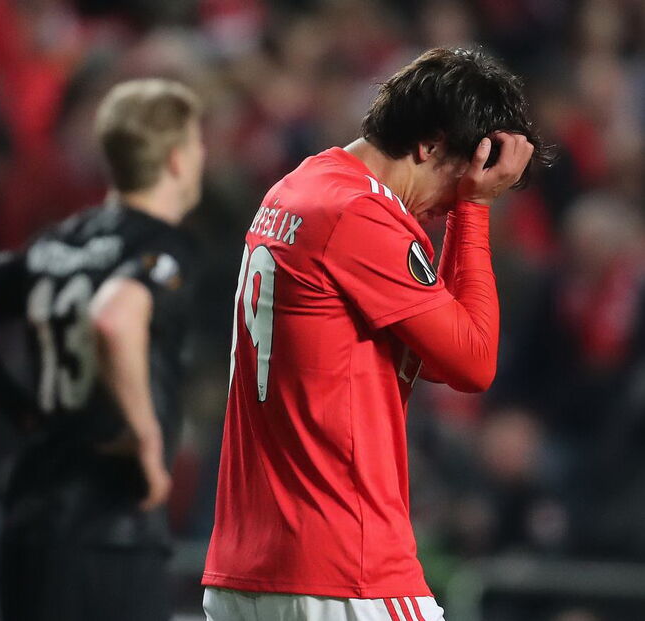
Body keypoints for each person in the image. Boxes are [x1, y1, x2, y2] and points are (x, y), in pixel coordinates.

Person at [202, 47, 550, 621]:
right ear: (430, 145)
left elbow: (434, 356)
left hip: (250, 568)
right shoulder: (359, 214)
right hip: (342, 566)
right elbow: (473, 363)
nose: (443, 207)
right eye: (456, 181)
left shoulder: (299, 188)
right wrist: (475, 209)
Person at [0, 78, 204, 621]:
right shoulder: (163, 246)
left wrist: (19, 408)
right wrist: (146, 439)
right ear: (176, 159)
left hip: (30, 519)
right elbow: (116, 317)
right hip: (112, 525)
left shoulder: (58, 241)